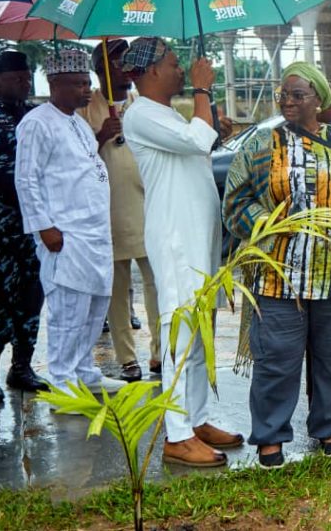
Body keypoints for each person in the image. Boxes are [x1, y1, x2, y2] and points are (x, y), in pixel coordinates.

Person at [225, 62, 331, 466]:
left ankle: (330, 427)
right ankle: (271, 437)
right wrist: (268, 223)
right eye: (284, 95)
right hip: (279, 275)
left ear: (320, 99)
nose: (289, 101)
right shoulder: (261, 145)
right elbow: (235, 201)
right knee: (277, 358)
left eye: (298, 95)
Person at [122, 37, 243, 467]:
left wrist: (211, 124)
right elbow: (195, 141)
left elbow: (198, 140)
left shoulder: (164, 113)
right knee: (179, 329)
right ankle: (176, 434)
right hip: (176, 237)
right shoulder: (140, 114)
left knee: (199, 327)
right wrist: (203, 90)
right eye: (174, 64)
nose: (181, 69)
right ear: (152, 71)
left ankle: (196, 418)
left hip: (198, 234)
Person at [14, 50, 125, 396]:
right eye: (77, 84)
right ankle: (63, 384)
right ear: (54, 84)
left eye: (87, 83)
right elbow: (26, 180)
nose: (86, 90)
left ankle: (84, 372)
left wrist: (103, 135)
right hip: (65, 235)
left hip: (94, 234)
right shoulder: (36, 122)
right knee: (68, 312)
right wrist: (44, 227)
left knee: (94, 307)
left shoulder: (76, 121)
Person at [77, 40, 161, 382]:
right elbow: (76, 161)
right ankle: (128, 358)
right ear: (100, 71)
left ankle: (160, 353)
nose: (123, 68)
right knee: (117, 285)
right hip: (107, 210)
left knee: (157, 283)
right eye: (115, 62)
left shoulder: (142, 103)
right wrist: (99, 136)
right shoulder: (87, 109)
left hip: (146, 206)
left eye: (126, 62)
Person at [0, 51, 48, 402]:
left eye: (27, 77)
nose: (25, 83)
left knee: (31, 298)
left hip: (31, 225)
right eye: (18, 78)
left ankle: (22, 367)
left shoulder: (31, 113)